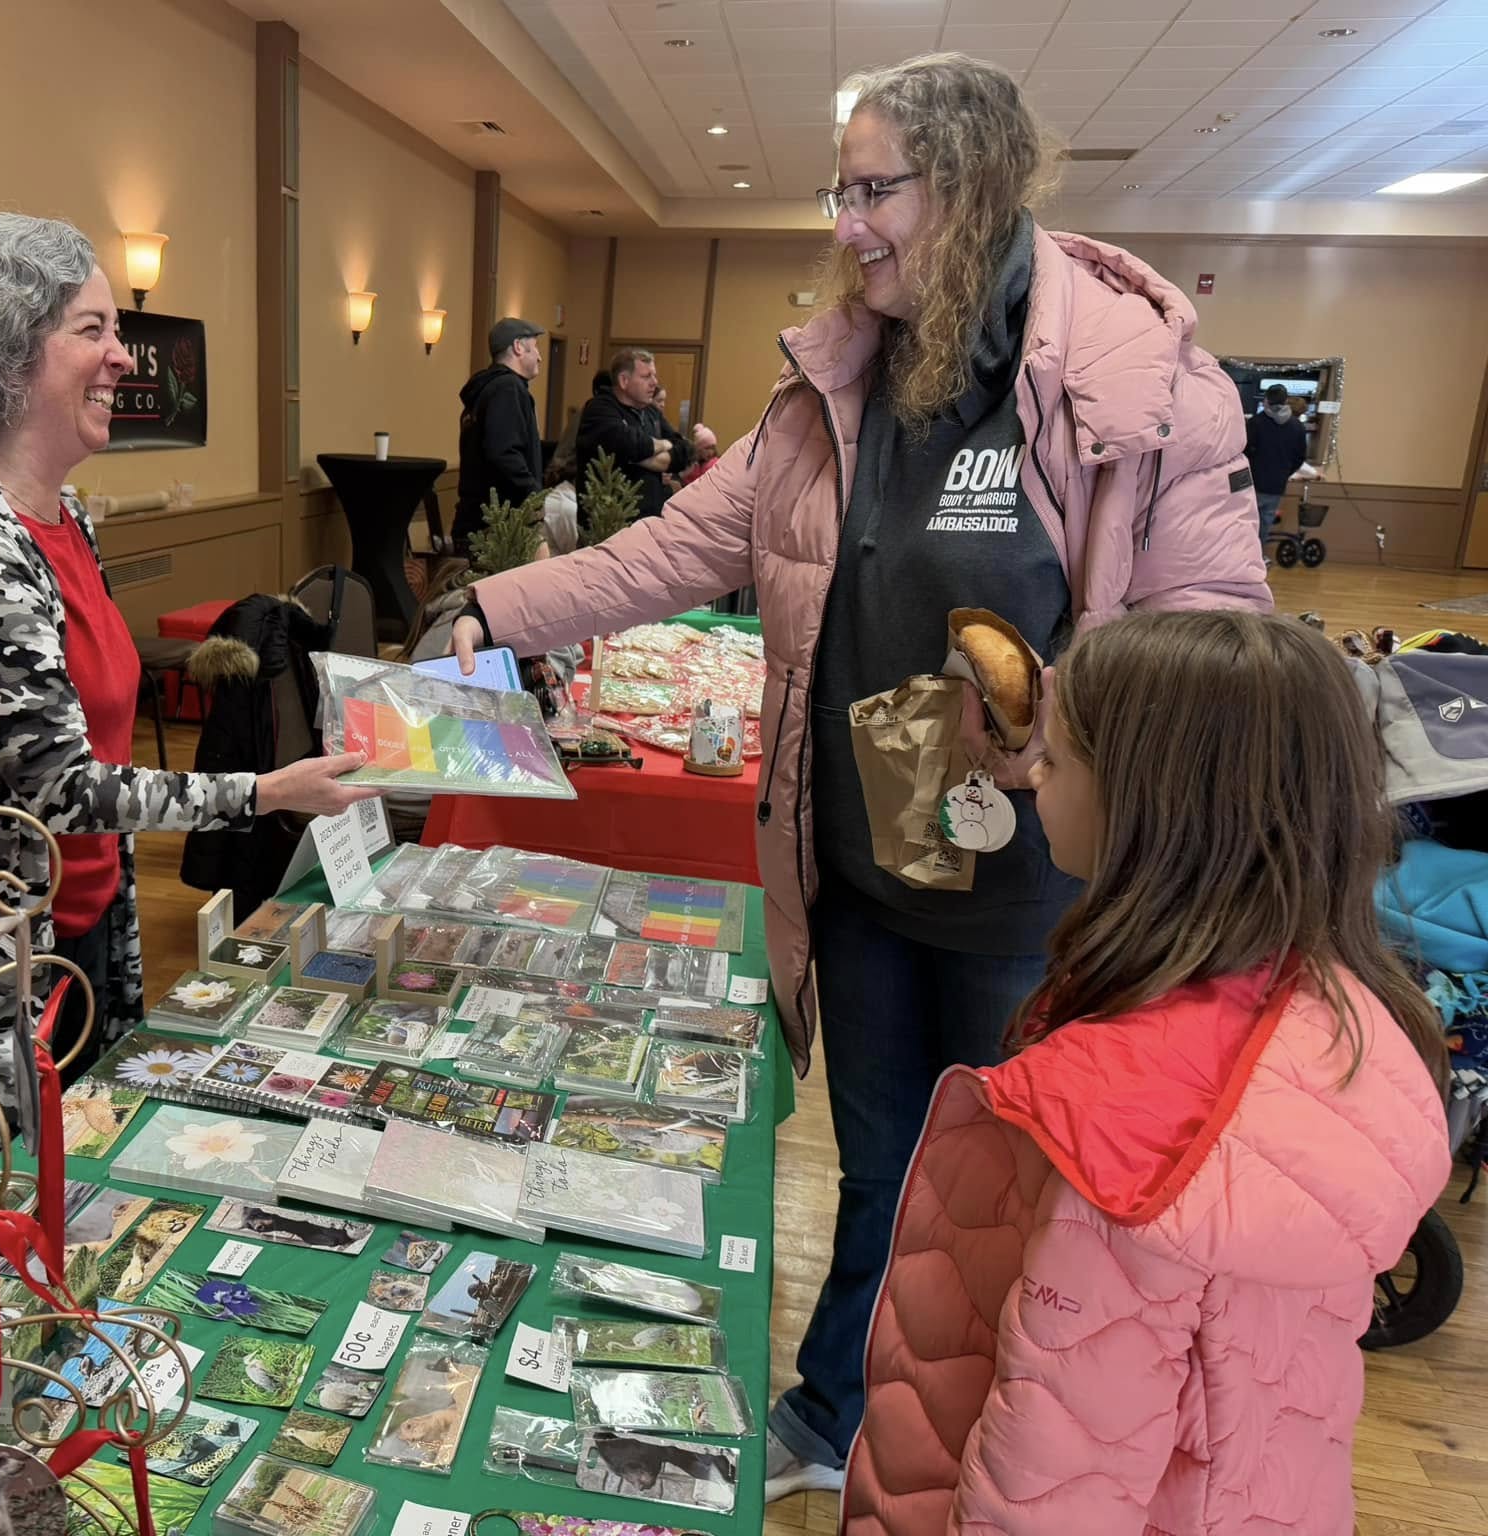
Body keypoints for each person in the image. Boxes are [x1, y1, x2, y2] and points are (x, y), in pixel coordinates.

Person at [448, 53, 1270, 1498]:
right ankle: (838, 1411)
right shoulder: (837, 380)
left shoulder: (1137, 384)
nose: (845, 224)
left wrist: (1071, 714)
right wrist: (493, 609)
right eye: (840, 190)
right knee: (882, 1165)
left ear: (969, 185)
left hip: (1042, 896)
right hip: (861, 878)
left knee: (1026, 1203)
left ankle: (992, 1458)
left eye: (873, 189)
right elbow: (675, 549)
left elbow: (1221, 639)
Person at [840, 610, 1451, 1534]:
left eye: (1060, 759)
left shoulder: (1128, 1129)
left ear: (1154, 805)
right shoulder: (1341, 1018)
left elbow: (1053, 1475)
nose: (1032, 774)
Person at [0, 213, 376, 1170]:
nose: (123, 357)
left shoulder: (62, 518)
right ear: (7, 357)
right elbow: (64, 788)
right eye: (91, 329)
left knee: (79, 1174)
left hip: (74, 919)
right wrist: (265, 791)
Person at [454, 316, 545, 549]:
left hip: (478, 521)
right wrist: (534, 495)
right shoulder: (507, 388)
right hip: (499, 528)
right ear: (518, 347)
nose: (540, 356)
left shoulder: (487, 389)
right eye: (535, 347)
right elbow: (503, 453)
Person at [576, 349, 699, 519]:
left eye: (654, 376)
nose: (654, 382)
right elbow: (628, 444)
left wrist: (639, 457)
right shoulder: (599, 409)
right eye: (646, 376)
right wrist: (663, 444)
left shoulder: (651, 412)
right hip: (608, 521)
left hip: (650, 518)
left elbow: (685, 450)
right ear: (624, 381)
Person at [1245, 382, 1309, 544]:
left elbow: (1243, 452)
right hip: (1276, 485)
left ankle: (1242, 557)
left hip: (1252, 482)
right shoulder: (1297, 427)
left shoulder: (1255, 423)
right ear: (1286, 401)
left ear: (1266, 400)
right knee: (1265, 524)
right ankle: (1258, 555)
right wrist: (1284, 472)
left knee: (1246, 523)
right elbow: (1299, 457)